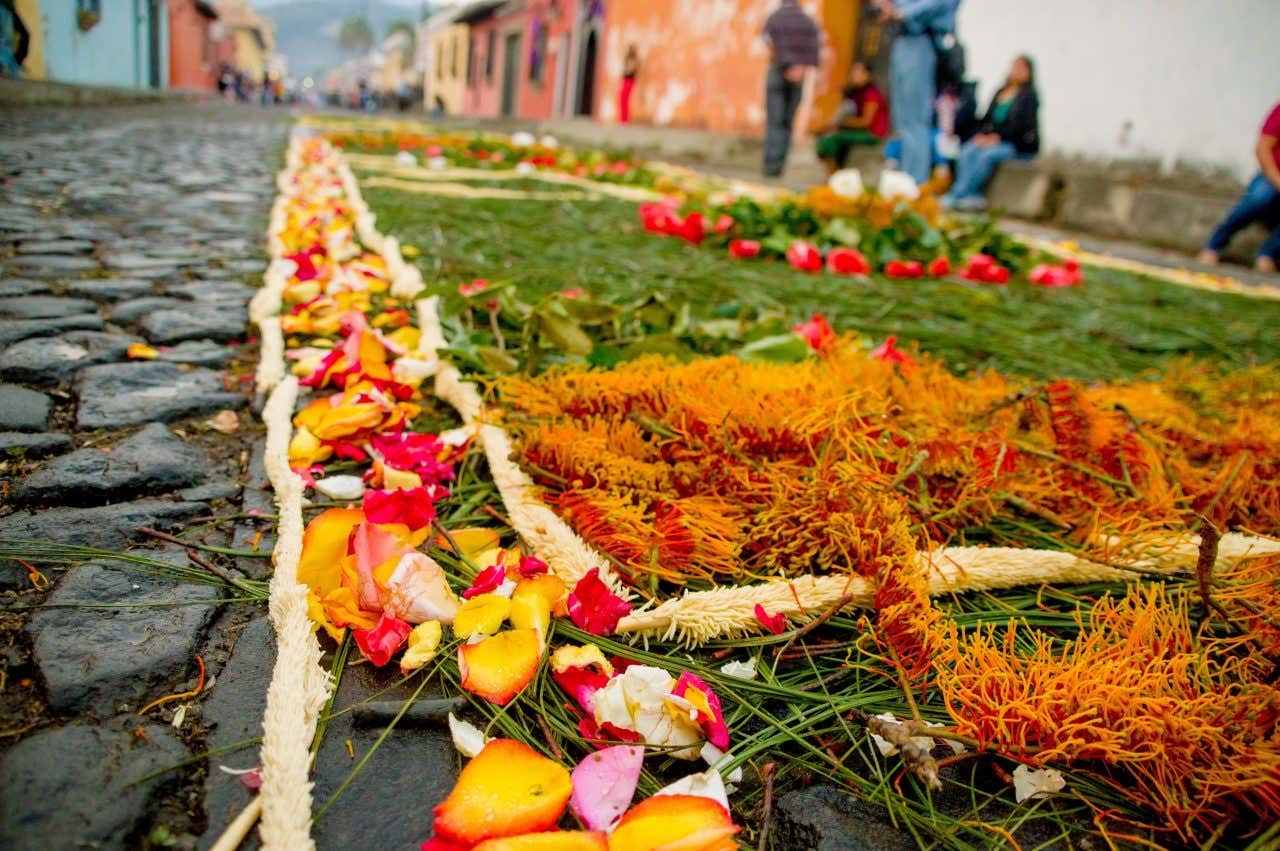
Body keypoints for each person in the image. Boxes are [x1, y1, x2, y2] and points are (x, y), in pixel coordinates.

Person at [874, 0, 960, 185]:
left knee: (915, 118)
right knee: (902, 120)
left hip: (922, 41)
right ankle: (903, 179)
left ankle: (914, 183)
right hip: (901, 39)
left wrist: (900, 12)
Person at [942, 54, 1039, 210]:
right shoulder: (1001, 92)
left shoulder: (1029, 96)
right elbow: (987, 119)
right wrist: (981, 135)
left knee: (987, 156)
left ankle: (964, 193)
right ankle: (961, 192)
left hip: (1013, 143)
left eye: (1021, 68)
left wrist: (998, 137)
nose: (1016, 71)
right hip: (992, 139)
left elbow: (1022, 127)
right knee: (968, 150)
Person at [1198, 102, 1280, 274]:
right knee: (1260, 198)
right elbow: (1262, 149)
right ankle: (1214, 244)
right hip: (1272, 174)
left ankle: (1268, 255)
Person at [762, 0, 820, 178]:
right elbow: (815, 47)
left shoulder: (775, 18)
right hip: (799, 75)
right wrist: (800, 67)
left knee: (775, 120)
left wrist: (786, 65)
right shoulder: (807, 21)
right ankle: (779, 164)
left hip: (779, 71)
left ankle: (771, 165)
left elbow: (769, 42)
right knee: (787, 121)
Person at [815, 62, 889, 175]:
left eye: (859, 73)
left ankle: (834, 175)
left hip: (872, 133)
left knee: (830, 139)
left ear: (867, 75)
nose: (855, 76)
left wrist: (842, 123)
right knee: (826, 140)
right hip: (856, 130)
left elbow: (865, 121)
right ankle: (835, 174)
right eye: (853, 73)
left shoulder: (871, 94)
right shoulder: (855, 92)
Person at [0, 0, 30, 78]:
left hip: (9, 8)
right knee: (5, 40)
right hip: (4, 7)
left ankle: (12, 65)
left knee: (24, 36)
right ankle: (8, 66)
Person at [619, 45, 639, 124]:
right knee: (623, 100)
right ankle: (623, 119)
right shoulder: (630, 59)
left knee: (624, 100)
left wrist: (626, 70)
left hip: (629, 80)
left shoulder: (632, 59)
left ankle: (625, 120)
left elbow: (630, 69)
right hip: (627, 80)